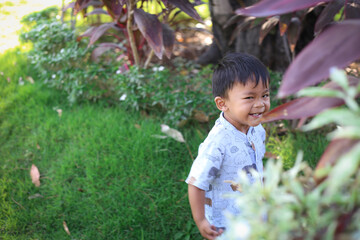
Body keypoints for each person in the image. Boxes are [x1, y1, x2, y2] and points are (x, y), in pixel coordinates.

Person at [186, 52, 270, 239]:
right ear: (222, 104)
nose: (260, 104)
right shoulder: (218, 142)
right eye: (249, 98)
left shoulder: (257, 129)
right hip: (227, 223)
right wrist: (201, 221)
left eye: (265, 95)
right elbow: (196, 182)